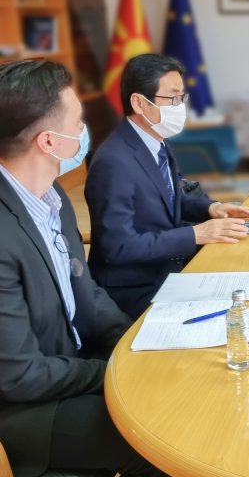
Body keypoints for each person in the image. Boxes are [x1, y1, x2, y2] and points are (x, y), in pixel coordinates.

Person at [0, 60, 164, 476]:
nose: (84, 131)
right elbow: (20, 376)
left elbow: (85, 290)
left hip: (70, 366)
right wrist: (108, 372)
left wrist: (134, 343)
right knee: (160, 432)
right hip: (28, 410)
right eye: (77, 122)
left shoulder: (51, 198)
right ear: (49, 142)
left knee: (171, 385)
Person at [86, 54, 249, 319]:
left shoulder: (155, 140)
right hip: (135, 288)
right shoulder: (113, 162)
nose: (180, 107)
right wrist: (196, 234)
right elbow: (118, 247)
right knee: (232, 313)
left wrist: (212, 208)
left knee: (244, 282)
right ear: (139, 103)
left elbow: (170, 195)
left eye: (181, 98)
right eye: (172, 98)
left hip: (167, 266)